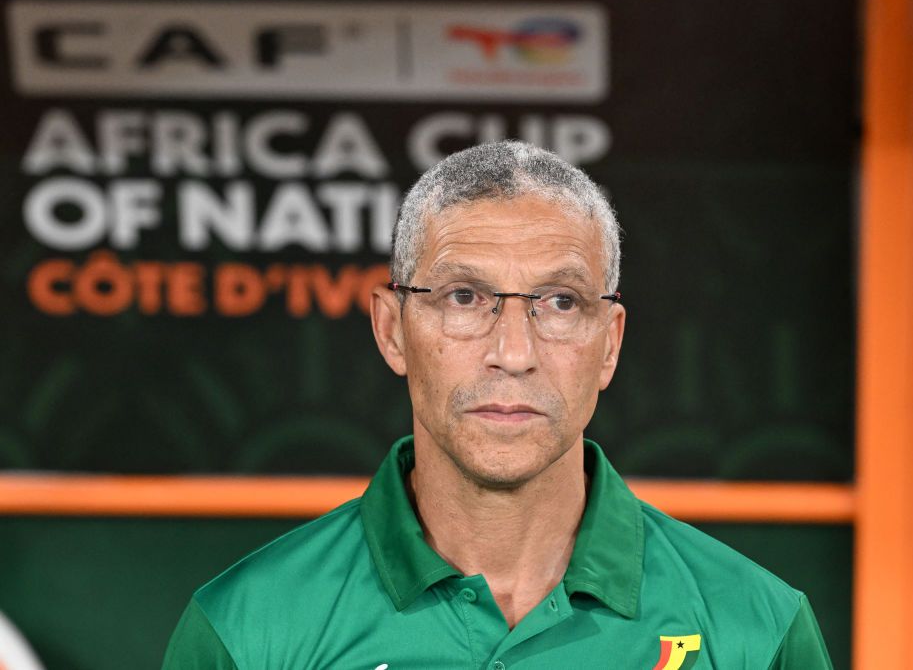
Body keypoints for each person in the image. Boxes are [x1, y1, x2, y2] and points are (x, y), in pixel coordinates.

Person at [161, 141, 833, 669]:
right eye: (464, 297)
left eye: (561, 302)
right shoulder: (246, 630)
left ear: (610, 343)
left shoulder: (755, 631)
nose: (513, 351)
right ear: (392, 329)